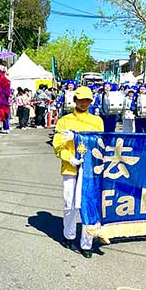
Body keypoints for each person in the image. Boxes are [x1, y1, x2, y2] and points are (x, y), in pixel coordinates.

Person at [53, 86, 104, 258]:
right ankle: (69, 235)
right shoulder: (64, 121)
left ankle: (86, 243)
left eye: (87, 100)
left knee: (88, 205)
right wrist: (69, 157)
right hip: (70, 167)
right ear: (75, 100)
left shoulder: (97, 121)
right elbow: (58, 144)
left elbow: (101, 143)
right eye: (81, 99)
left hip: (90, 169)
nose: (84, 103)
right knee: (70, 204)